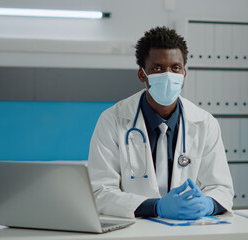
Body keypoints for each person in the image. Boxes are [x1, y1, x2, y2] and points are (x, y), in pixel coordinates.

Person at [88, 26, 233, 219]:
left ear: (184, 73)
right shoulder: (113, 120)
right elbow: (100, 192)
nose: (168, 75)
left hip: (188, 229)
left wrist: (207, 204)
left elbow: (221, 188)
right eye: (157, 68)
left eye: (175, 68)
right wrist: (157, 207)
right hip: (135, 229)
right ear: (142, 74)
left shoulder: (205, 123)